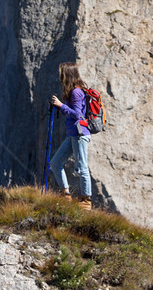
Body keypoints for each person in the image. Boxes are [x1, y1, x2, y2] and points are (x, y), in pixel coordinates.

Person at [49, 62, 92, 210]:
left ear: (68, 75)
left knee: (82, 165)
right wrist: (59, 106)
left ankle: (86, 200)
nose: (60, 77)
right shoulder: (74, 92)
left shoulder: (76, 92)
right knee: (55, 162)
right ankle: (65, 194)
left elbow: (78, 115)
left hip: (79, 134)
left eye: (62, 74)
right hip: (73, 134)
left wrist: (61, 105)